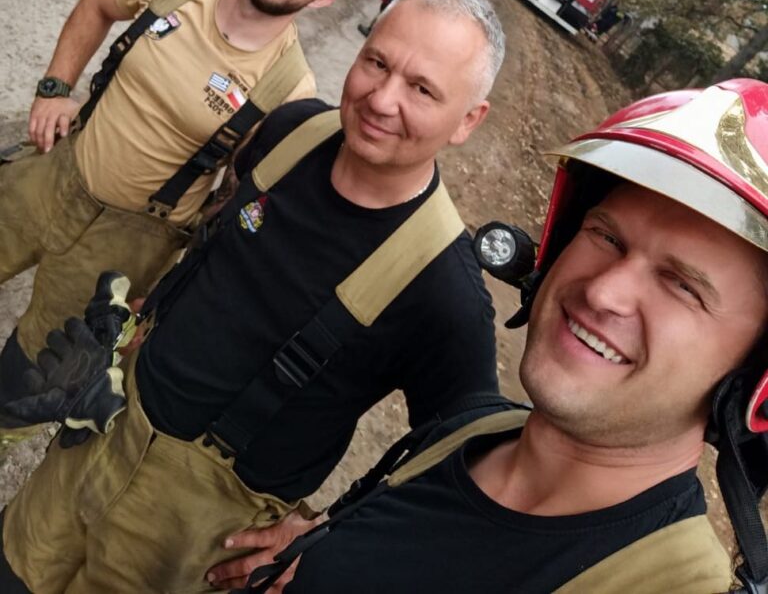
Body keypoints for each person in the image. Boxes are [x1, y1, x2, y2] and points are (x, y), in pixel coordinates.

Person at [0, 0, 505, 593]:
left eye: (422, 89)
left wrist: (327, 533)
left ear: (468, 120)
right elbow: (224, 237)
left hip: (192, 534)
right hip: (103, 430)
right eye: (376, 62)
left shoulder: (445, 292)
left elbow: (459, 477)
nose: (381, 99)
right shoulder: (292, 129)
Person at [230, 79, 768, 592]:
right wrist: (326, 546)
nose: (605, 292)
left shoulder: (665, 586)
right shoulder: (473, 432)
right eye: (606, 236)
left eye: (682, 286)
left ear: (754, 379)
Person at [0, 0, 361, 452]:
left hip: (124, 247)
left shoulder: (290, 91)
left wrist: (163, 296)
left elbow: (238, 208)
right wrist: (55, 87)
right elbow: (100, 1)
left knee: (29, 382)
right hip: (54, 172)